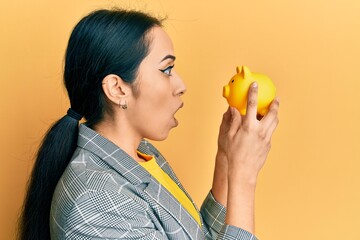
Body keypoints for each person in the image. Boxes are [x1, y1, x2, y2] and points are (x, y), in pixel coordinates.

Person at [18, 8, 279, 240]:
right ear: (117, 89)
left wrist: (226, 159)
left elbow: (200, 235)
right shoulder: (96, 201)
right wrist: (244, 178)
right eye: (166, 70)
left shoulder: (142, 155)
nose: (181, 86)